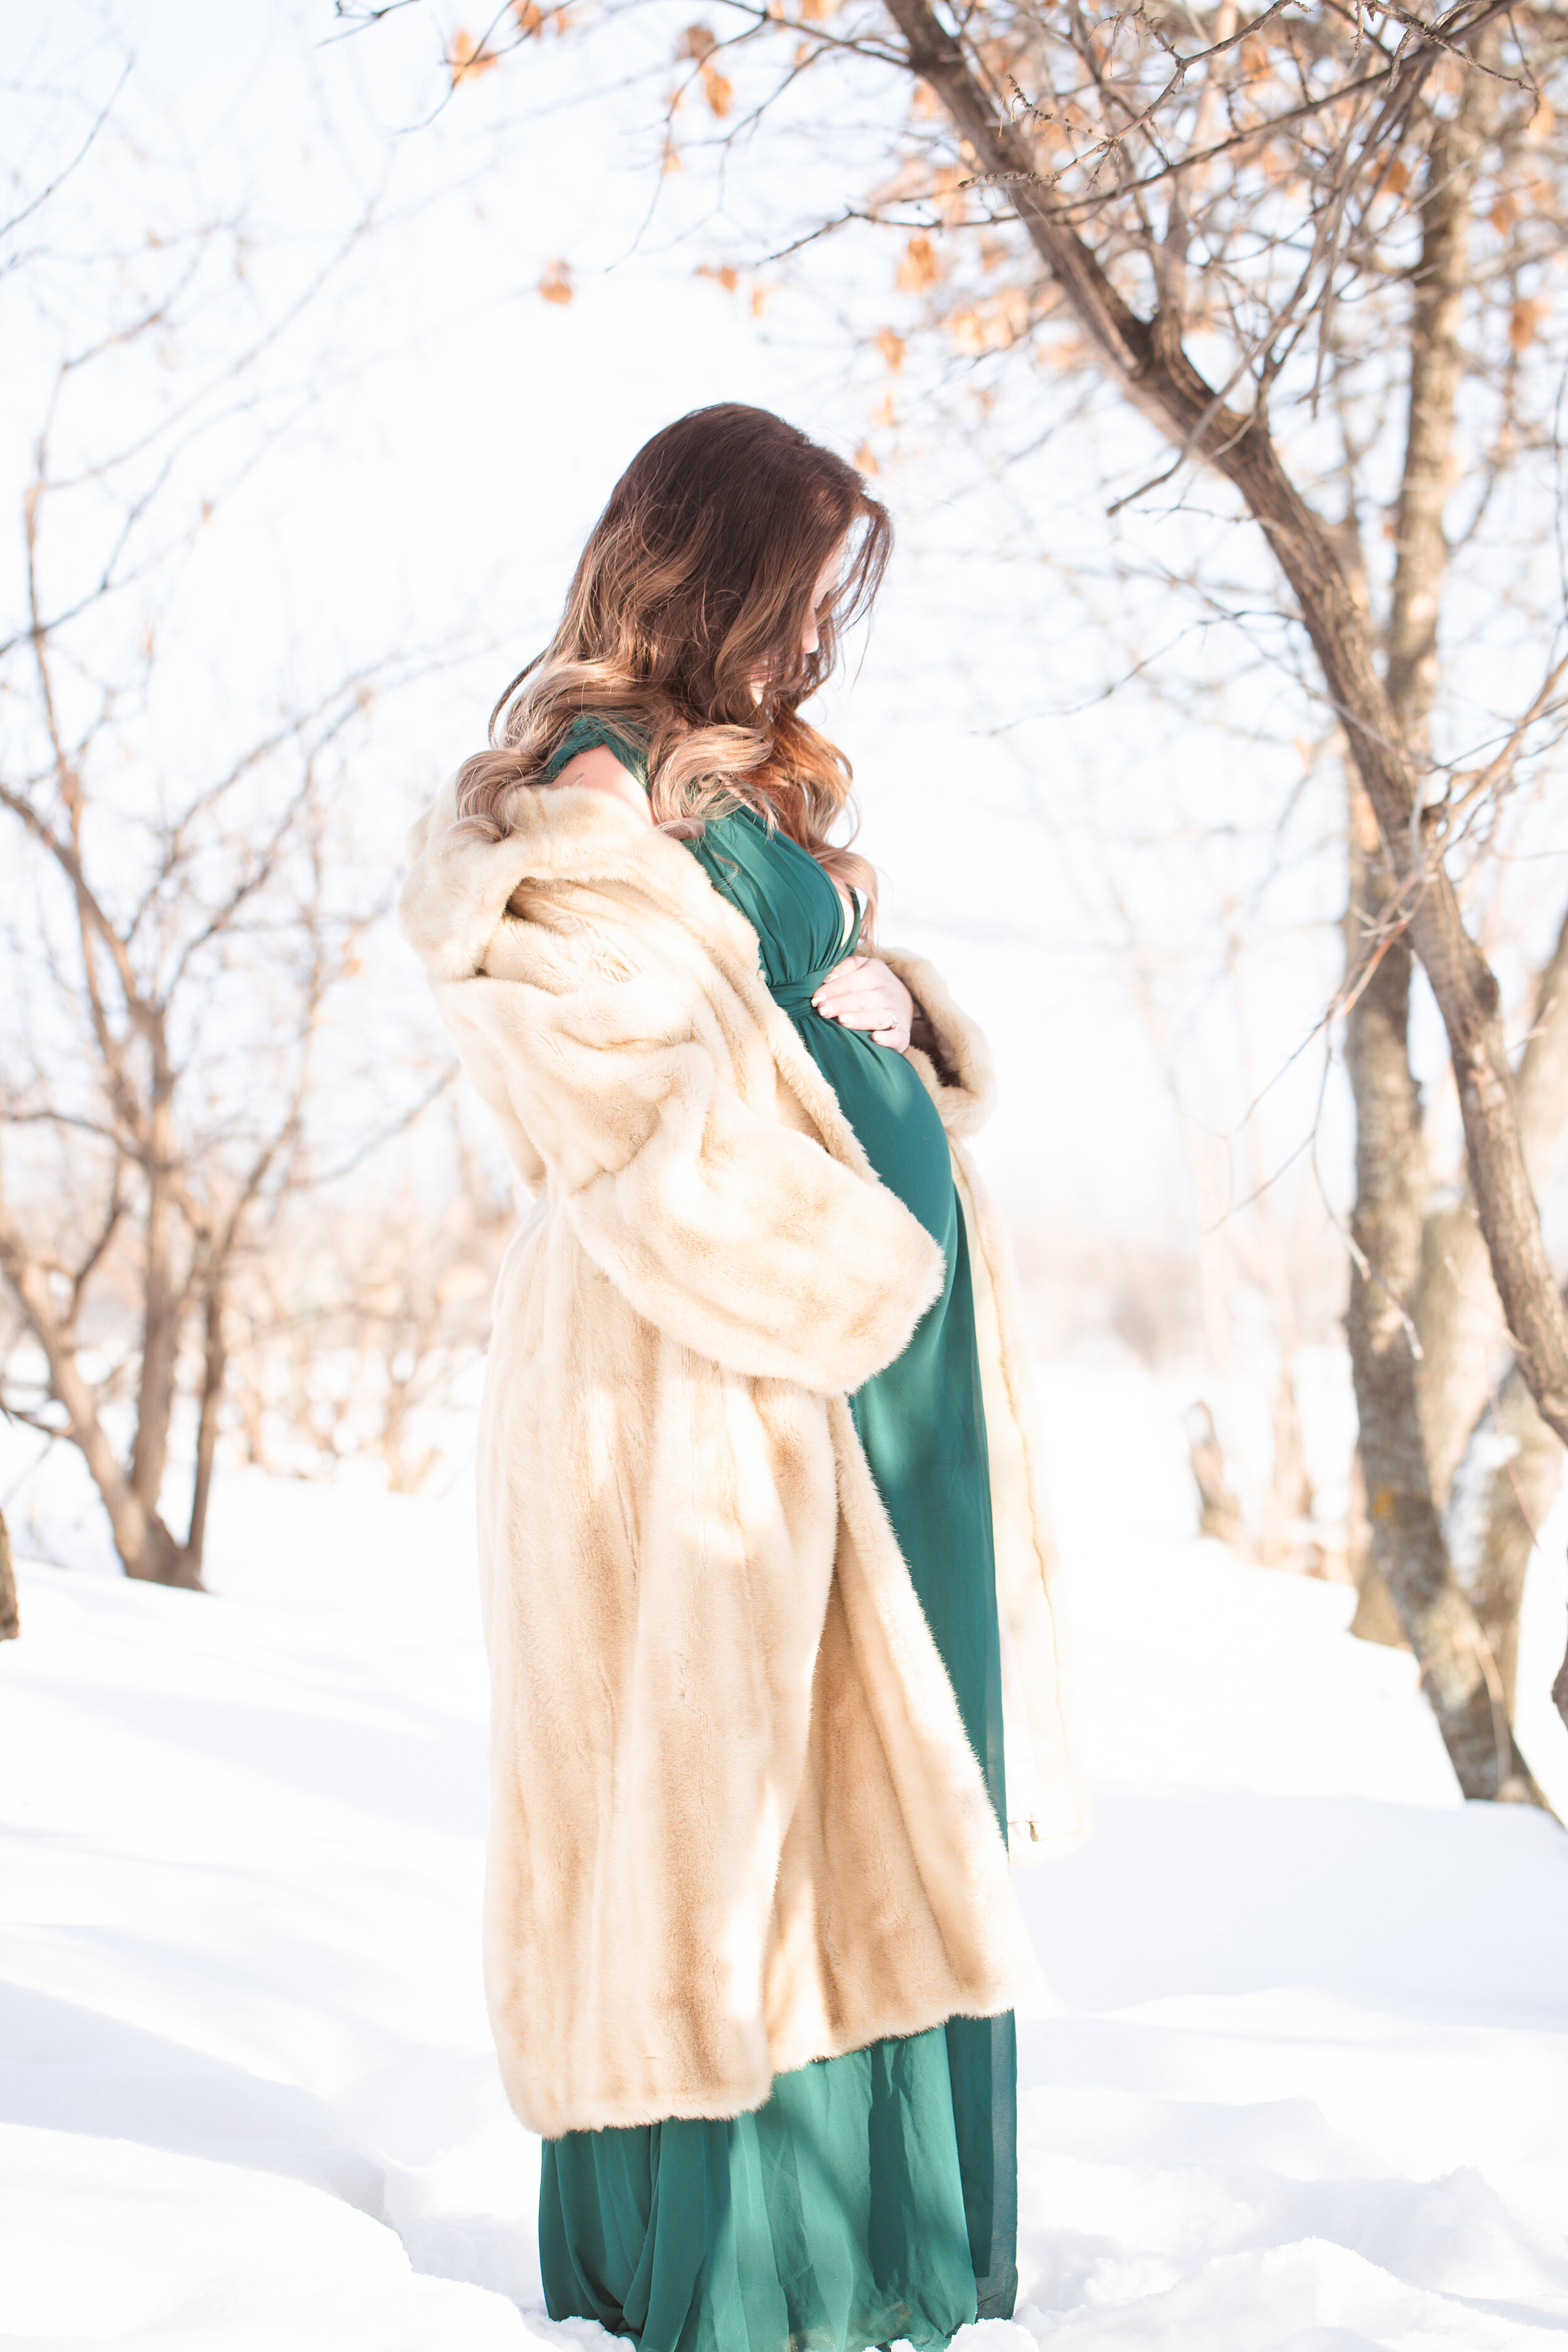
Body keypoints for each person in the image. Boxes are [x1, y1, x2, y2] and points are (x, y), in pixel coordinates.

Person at [399, 403, 1082, 2352]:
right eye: (796, 597)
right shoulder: (584, 787)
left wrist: (904, 1010)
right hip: (731, 1363)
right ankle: (764, 2269)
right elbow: (620, 1105)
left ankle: (902, 2249)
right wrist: (863, 1272)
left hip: (869, 1380)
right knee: (744, 1800)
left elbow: (786, 1030)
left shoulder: (747, 786)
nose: (814, 647)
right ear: (704, 566)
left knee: (898, 1783)